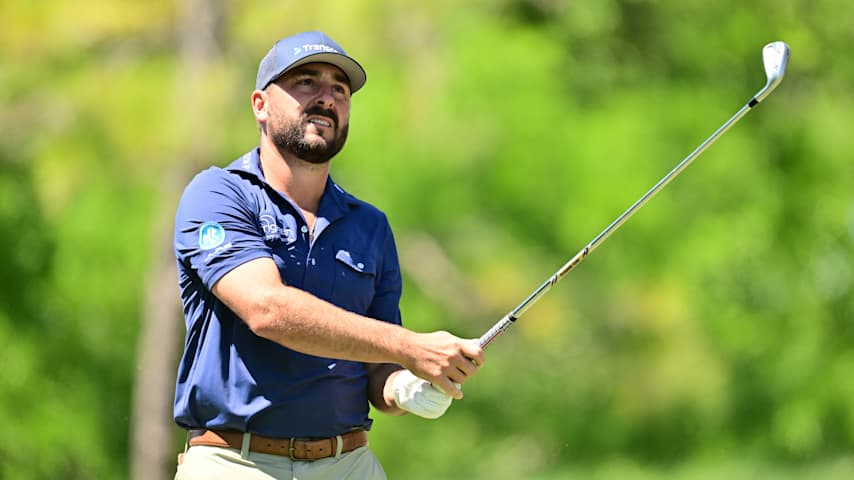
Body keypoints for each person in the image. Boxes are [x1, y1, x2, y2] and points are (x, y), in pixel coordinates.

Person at [171, 31, 484, 479]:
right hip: (235, 462)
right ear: (260, 104)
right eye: (305, 83)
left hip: (350, 463)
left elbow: (376, 368)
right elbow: (267, 309)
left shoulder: (369, 225)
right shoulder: (218, 194)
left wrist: (405, 385)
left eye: (339, 89)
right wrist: (412, 347)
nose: (325, 98)